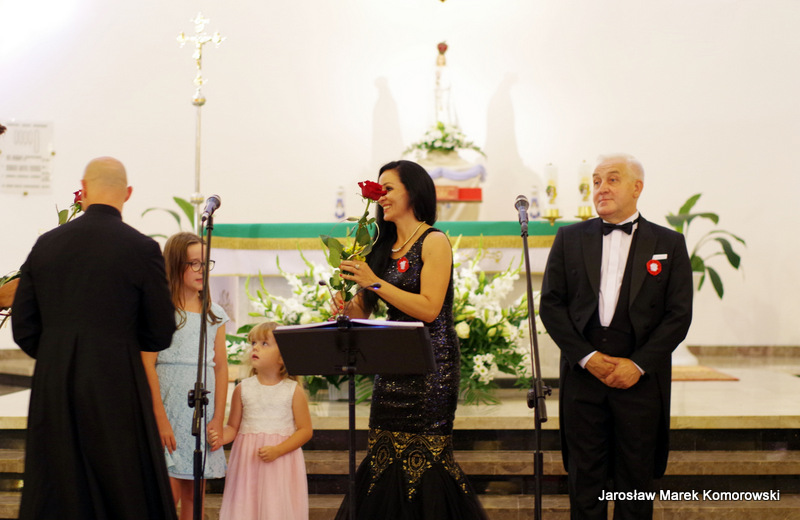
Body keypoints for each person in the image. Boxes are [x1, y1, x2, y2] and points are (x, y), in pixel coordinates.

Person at [11, 157, 177, 519]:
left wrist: (56, 353)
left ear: (83, 189)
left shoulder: (46, 245)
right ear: (127, 194)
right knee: (121, 481)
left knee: (57, 481)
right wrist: (119, 346)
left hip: (55, 383)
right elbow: (160, 331)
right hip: (117, 380)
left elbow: (23, 326)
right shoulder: (141, 248)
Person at [539, 153, 694, 519]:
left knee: (635, 483)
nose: (601, 188)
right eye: (596, 181)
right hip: (583, 377)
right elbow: (551, 305)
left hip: (640, 381)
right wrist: (587, 357)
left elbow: (678, 315)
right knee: (584, 482)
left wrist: (637, 365)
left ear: (637, 187)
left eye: (612, 179)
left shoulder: (669, 243)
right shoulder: (569, 238)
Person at [333, 160, 488, 519]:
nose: (381, 197)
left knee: (427, 459)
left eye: (388, 189)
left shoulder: (434, 241)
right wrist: (345, 305)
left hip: (431, 366)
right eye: (379, 190)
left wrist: (373, 281)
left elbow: (430, 309)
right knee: (383, 453)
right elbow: (363, 311)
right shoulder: (379, 246)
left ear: (414, 192)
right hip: (393, 363)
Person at [141, 231, 229, 520]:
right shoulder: (160, 312)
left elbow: (221, 367)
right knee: (167, 496)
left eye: (206, 263)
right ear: (175, 265)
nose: (202, 270)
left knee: (195, 497)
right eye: (194, 263)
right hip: (168, 411)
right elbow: (147, 365)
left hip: (201, 414)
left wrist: (217, 418)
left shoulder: (214, 314)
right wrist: (160, 420)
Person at [209, 321, 313, 520]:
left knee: (275, 508)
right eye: (253, 343)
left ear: (282, 357)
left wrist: (278, 450)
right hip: (248, 464)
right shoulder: (243, 389)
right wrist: (220, 437)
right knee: (246, 507)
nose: (255, 347)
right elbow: (233, 427)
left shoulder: (293, 391)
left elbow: (305, 430)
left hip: (279, 463)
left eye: (264, 343)